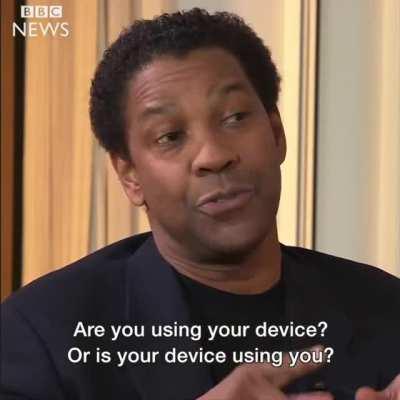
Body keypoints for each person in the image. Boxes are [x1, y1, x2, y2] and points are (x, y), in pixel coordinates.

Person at [1, 8, 399, 400]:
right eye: (170, 136)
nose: (213, 155)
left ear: (276, 133)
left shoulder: (386, 309)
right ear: (130, 176)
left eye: (235, 117)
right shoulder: (42, 336)